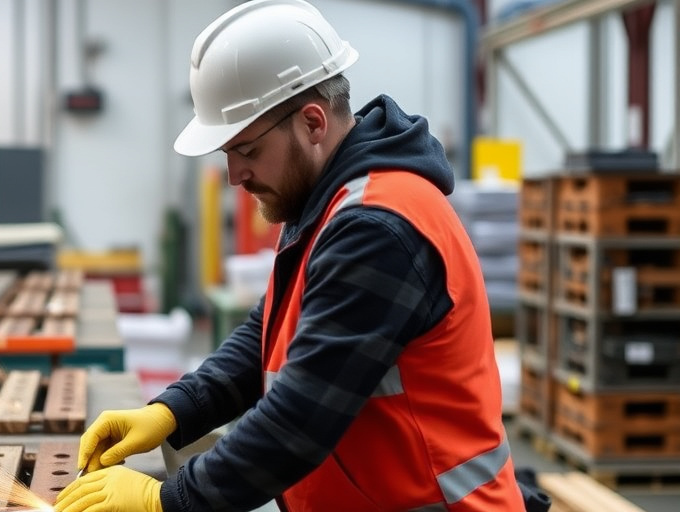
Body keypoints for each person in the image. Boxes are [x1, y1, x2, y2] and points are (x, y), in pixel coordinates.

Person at [54, 1, 532, 511]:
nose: (235, 176)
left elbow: (300, 417)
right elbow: (269, 332)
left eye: (247, 151)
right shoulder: (326, 201)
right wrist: (175, 410)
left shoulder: (376, 227)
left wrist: (167, 499)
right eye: (227, 154)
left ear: (312, 123)